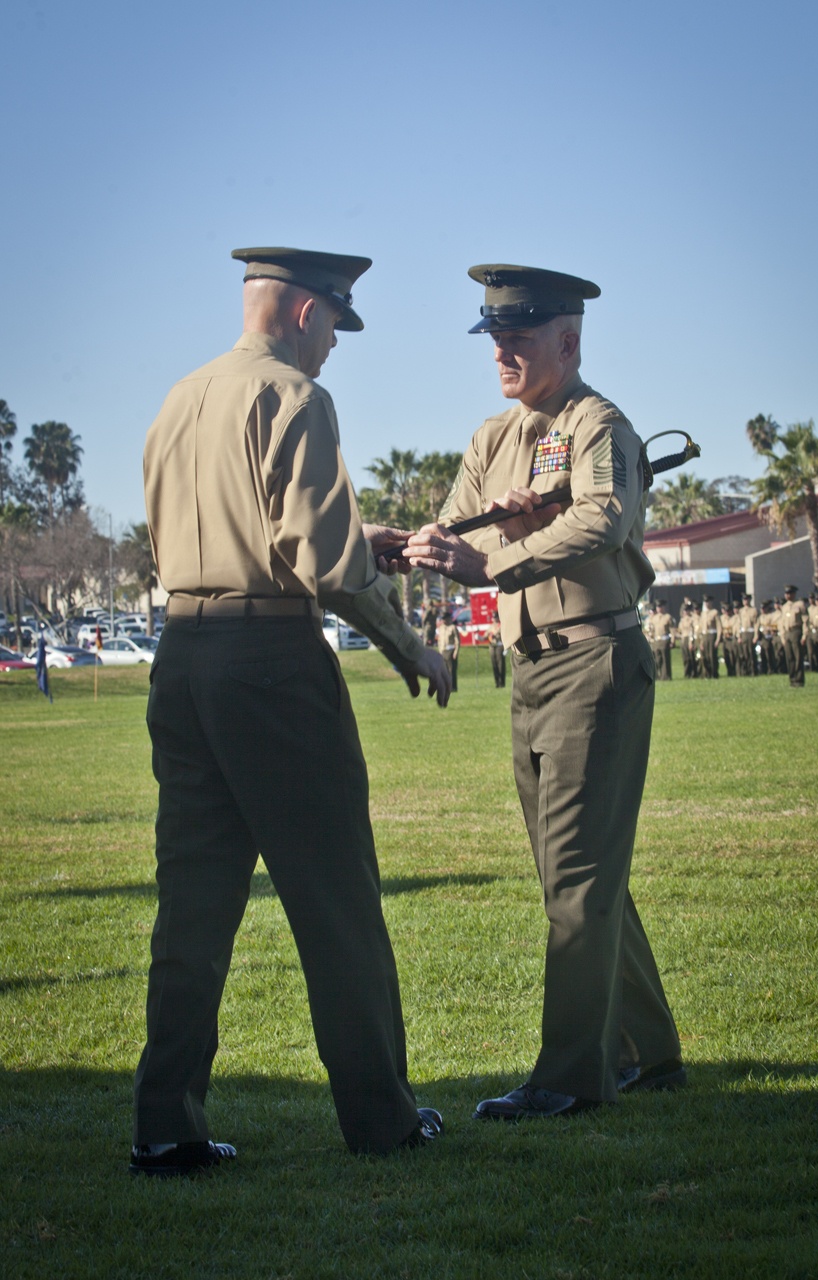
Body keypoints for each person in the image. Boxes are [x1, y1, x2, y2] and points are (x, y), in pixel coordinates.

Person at [131, 246, 450, 1177]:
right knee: (335, 898)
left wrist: (358, 540)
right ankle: (379, 1116)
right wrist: (410, 646)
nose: (331, 351)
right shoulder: (296, 398)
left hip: (183, 657)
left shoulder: (179, 397)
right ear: (309, 315)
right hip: (271, 661)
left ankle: (166, 1123)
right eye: (335, 330)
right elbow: (319, 563)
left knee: (191, 907)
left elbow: (242, 530)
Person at [404, 262, 683, 1119]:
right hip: (530, 669)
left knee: (576, 875)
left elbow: (603, 517)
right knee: (575, 873)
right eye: (493, 337)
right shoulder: (494, 437)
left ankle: (570, 1078)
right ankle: (651, 1053)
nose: (500, 352)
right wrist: (420, 545)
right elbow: (454, 526)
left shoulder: (598, 424)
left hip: (593, 660)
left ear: (566, 339)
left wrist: (503, 555)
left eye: (517, 337)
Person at [779, 584, 807, 686]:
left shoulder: (799, 605)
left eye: (790, 593)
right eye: (786, 593)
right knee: (789, 657)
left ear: (794, 594)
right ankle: (792, 679)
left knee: (798, 657)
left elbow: (805, 621)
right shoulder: (784, 607)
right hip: (787, 633)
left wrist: (804, 635)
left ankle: (799, 680)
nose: (788, 595)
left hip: (796, 631)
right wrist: (782, 636)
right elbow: (781, 623)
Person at [645, 599, 674, 681]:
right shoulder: (654, 618)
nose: (659, 608)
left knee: (665, 658)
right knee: (657, 659)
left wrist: (673, 640)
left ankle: (666, 676)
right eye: (658, 607)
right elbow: (651, 629)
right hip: (656, 640)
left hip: (665, 639)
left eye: (661, 606)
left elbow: (672, 629)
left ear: (664, 607)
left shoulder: (667, 617)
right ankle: (659, 675)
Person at [697, 595, 722, 678]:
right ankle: (706, 673)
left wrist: (718, 639)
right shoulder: (703, 613)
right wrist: (700, 641)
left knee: (712, 656)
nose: (707, 603)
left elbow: (719, 627)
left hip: (712, 635)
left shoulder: (715, 612)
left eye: (708, 602)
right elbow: (700, 628)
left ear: (711, 602)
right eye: (705, 602)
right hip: (704, 636)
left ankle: (714, 673)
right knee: (704, 656)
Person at [436, 608, 460, 691]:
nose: (443, 620)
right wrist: (440, 651)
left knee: (451, 670)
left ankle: (453, 687)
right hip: (443, 651)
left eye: (444, 619)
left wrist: (456, 652)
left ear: (448, 618)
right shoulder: (441, 628)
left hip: (451, 650)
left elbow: (457, 641)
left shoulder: (453, 627)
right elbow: (439, 640)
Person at [487, 610, 506, 687]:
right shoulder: (491, 626)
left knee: (500, 665)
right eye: (493, 617)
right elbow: (486, 635)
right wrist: (480, 637)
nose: (494, 618)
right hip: (492, 646)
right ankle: (497, 682)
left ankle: (502, 682)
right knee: (494, 665)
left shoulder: (501, 625)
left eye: (495, 617)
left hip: (499, 646)